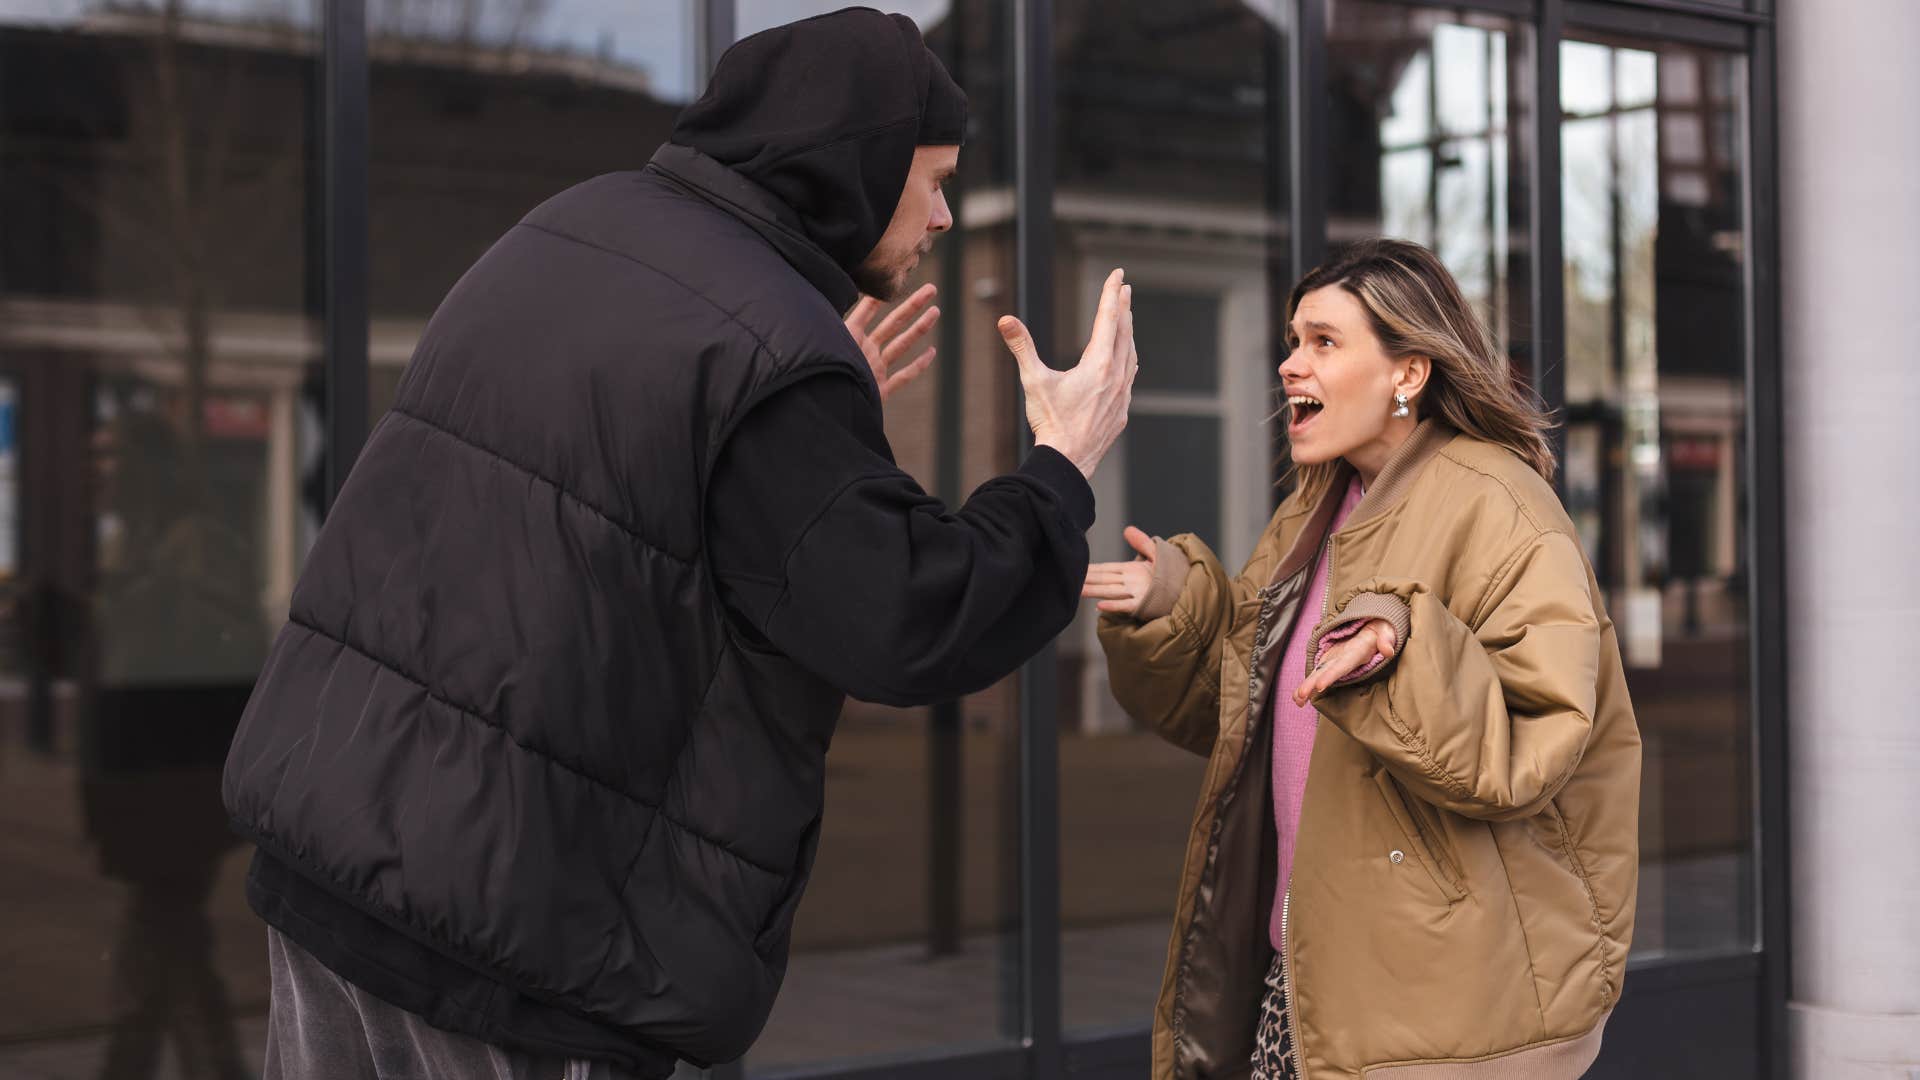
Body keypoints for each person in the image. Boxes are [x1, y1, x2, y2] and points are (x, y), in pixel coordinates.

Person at [222, 8, 1136, 1078]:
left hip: (339, 860)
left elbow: (617, 480)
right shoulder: (763, 353)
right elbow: (906, 616)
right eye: (929, 178)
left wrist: (795, 402)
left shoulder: (578, 227)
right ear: (852, 167)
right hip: (504, 942)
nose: (939, 214)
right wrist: (1062, 464)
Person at [1088, 239, 1639, 1079]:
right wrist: (1174, 607)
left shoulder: (1500, 505)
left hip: (1445, 1005)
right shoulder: (1315, 512)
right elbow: (1238, 715)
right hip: (1310, 981)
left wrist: (1402, 649)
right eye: (1291, 340)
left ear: (1407, 373)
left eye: (1322, 341)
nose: (1287, 365)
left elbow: (1534, 744)